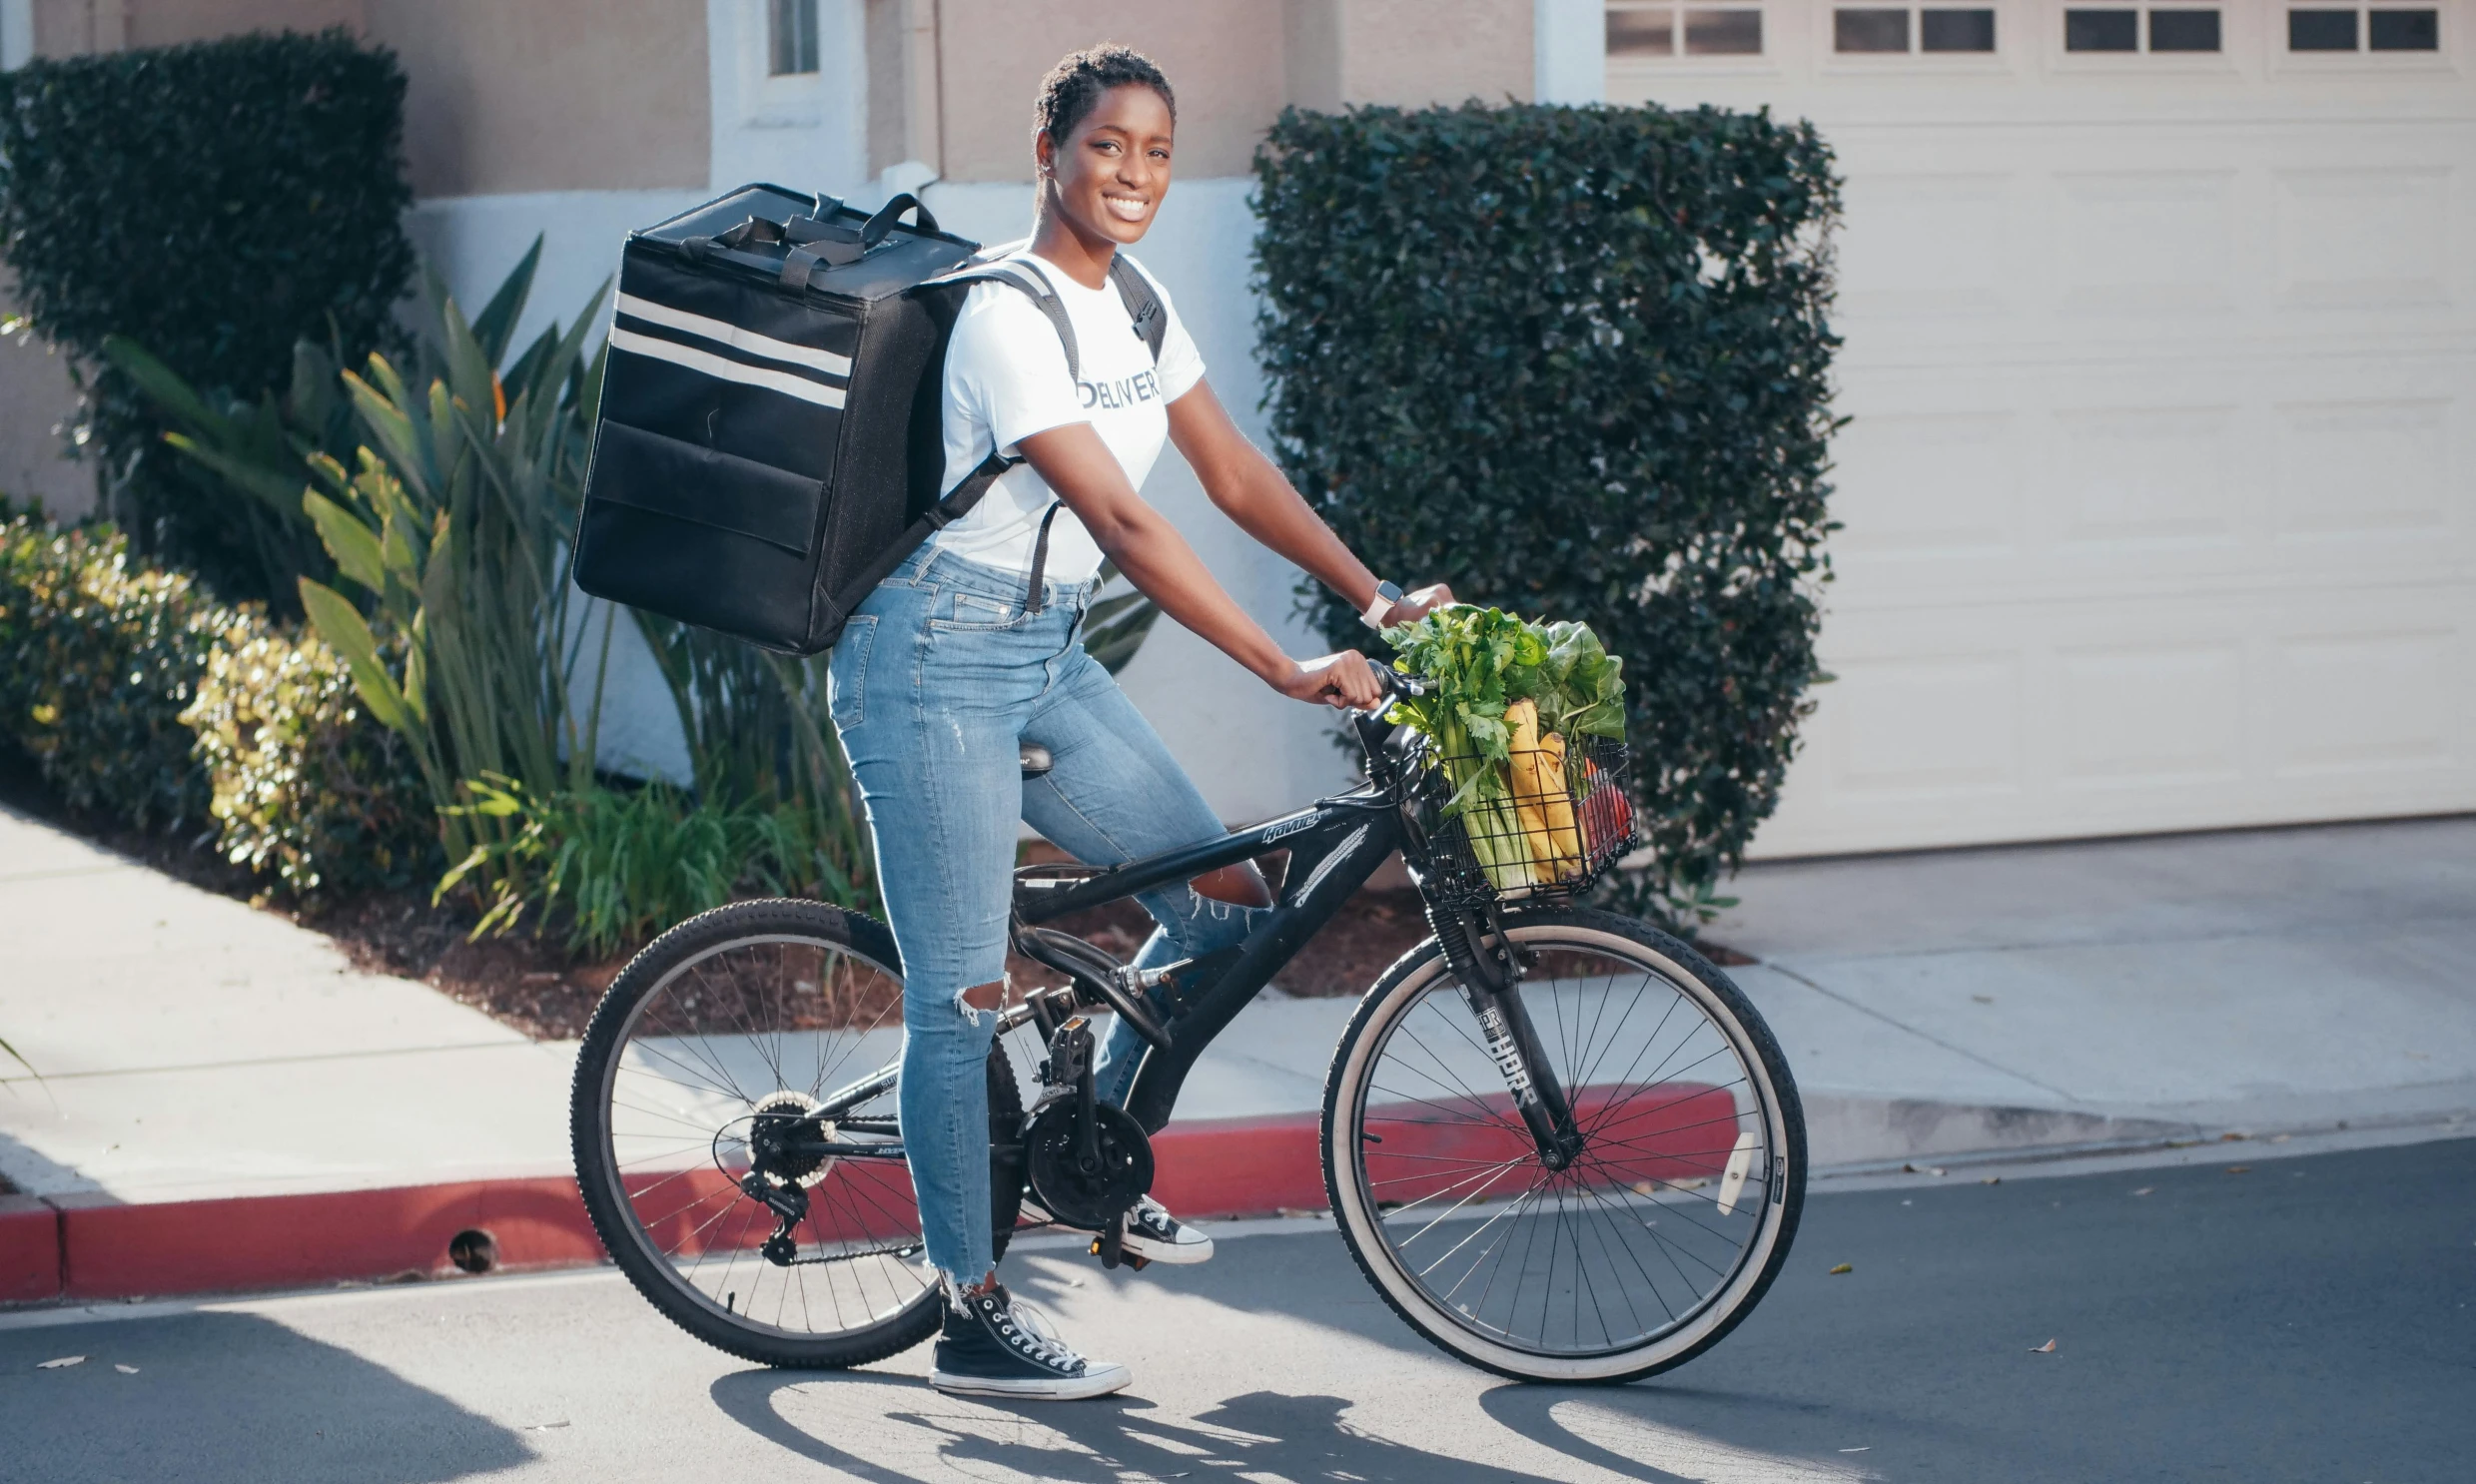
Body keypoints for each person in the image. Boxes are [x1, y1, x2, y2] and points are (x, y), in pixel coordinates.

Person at [826, 43, 1450, 1401]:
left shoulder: (1140, 305)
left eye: (1157, 151)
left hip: (1041, 653)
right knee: (959, 997)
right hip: (929, 654)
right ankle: (968, 1310)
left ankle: (1092, 1157)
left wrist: (1376, 596)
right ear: (1050, 151)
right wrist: (1283, 666)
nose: (1133, 175)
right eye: (1108, 145)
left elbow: (1228, 471)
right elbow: (1122, 513)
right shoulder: (1005, 309)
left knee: (1230, 902)